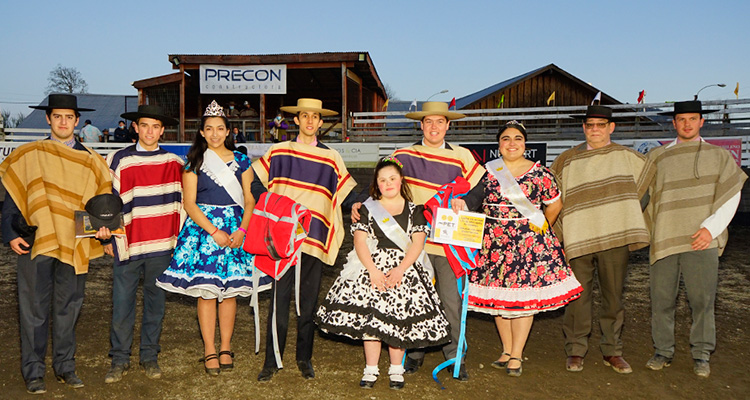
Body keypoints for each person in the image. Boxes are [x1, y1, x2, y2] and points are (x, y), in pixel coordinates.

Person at [351, 101, 485, 381]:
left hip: (448, 243)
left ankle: (454, 358)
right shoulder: (404, 154)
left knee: (450, 301)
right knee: (414, 299)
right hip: (411, 243)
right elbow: (381, 179)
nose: (434, 127)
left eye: (440, 122)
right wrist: (358, 201)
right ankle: (414, 354)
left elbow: (482, 185)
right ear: (420, 125)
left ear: (448, 125)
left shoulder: (463, 156)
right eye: (428, 122)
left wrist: (468, 200)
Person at [0, 93, 113, 394]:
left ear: (77, 121)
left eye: (69, 117)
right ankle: (33, 371)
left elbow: (101, 204)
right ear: (48, 119)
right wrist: (11, 233)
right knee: (33, 308)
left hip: (75, 241)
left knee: (69, 307)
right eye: (57, 116)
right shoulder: (31, 154)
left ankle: (65, 366)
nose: (63, 122)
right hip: (37, 239)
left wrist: (104, 231)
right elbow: (14, 194)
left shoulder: (92, 162)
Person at [451, 121, 582, 377]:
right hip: (494, 243)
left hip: (527, 244)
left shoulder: (541, 173)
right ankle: (507, 349)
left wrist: (540, 228)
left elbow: (554, 205)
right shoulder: (487, 172)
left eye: (517, 138)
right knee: (500, 299)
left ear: (525, 144)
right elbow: (475, 197)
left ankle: (517, 355)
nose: (512, 143)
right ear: (499, 144)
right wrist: (461, 202)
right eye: (506, 139)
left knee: (523, 301)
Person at [156, 100, 271, 376]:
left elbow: (249, 199)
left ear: (229, 131)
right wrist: (214, 231)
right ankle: (209, 348)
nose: (216, 134)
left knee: (229, 292)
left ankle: (226, 347)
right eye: (210, 129)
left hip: (235, 230)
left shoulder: (243, 160)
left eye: (220, 128)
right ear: (203, 133)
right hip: (205, 232)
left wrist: (242, 230)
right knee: (207, 293)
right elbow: (190, 204)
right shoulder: (193, 162)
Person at [317, 157, 450, 390]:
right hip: (373, 268)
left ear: (401, 181)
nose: (388, 184)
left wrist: (400, 270)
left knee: (397, 321)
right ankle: (371, 369)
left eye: (392, 179)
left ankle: (396, 370)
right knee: (372, 322)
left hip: (405, 270)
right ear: (376, 184)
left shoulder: (415, 210)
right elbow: (359, 242)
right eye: (382, 180)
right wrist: (373, 272)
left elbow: (418, 244)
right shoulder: (368, 209)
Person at [252, 98, 357, 382]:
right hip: (282, 239)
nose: (310, 121)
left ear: (321, 122)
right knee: (279, 300)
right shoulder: (279, 151)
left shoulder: (331, 157)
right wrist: (266, 201)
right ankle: (272, 360)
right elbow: (255, 179)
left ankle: (304, 358)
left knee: (308, 301)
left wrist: (361, 205)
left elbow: (344, 194)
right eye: (304, 116)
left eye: (315, 117)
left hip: (312, 237)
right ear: (296, 120)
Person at [550, 105, 656, 374]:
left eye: (600, 125)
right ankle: (575, 349)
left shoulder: (626, 157)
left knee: (613, 295)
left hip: (614, 237)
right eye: (589, 125)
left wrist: (626, 216)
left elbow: (645, 188)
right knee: (577, 296)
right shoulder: (567, 160)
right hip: (577, 236)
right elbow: (553, 197)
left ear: (611, 127)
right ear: (583, 127)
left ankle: (612, 350)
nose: (594, 130)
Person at [645, 100, 747, 378]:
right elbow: (642, 197)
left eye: (693, 118)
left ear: (702, 122)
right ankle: (662, 350)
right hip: (665, 238)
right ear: (674, 123)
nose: (687, 124)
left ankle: (701, 354)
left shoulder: (719, 156)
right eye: (681, 119)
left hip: (701, 239)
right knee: (661, 300)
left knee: (702, 300)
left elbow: (731, 195)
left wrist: (711, 230)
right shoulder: (657, 157)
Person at [102, 104, 184, 383]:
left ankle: (150, 356)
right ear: (135, 127)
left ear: (163, 130)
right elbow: (107, 200)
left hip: (161, 245)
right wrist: (108, 237)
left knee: (155, 304)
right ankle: (119, 358)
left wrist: (179, 240)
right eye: (144, 125)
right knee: (122, 303)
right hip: (127, 242)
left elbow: (183, 203)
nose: (150, 131)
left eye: (156, 126)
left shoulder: (174, 162)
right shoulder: (117, 159)